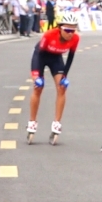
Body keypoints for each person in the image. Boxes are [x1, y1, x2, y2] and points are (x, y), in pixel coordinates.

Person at [26, 12, 81, 144]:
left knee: (62, 87)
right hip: (42, 56)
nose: (70, 33)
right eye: (67, 30)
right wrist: (36, 75)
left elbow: (70, 58)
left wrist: (65, 76)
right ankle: (32, 122)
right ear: (60, 27)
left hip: (56, 58)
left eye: (73, 30)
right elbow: (38, 55)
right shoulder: (49, 34)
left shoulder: (75, 38)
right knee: (38, 87)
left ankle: (57, 123)